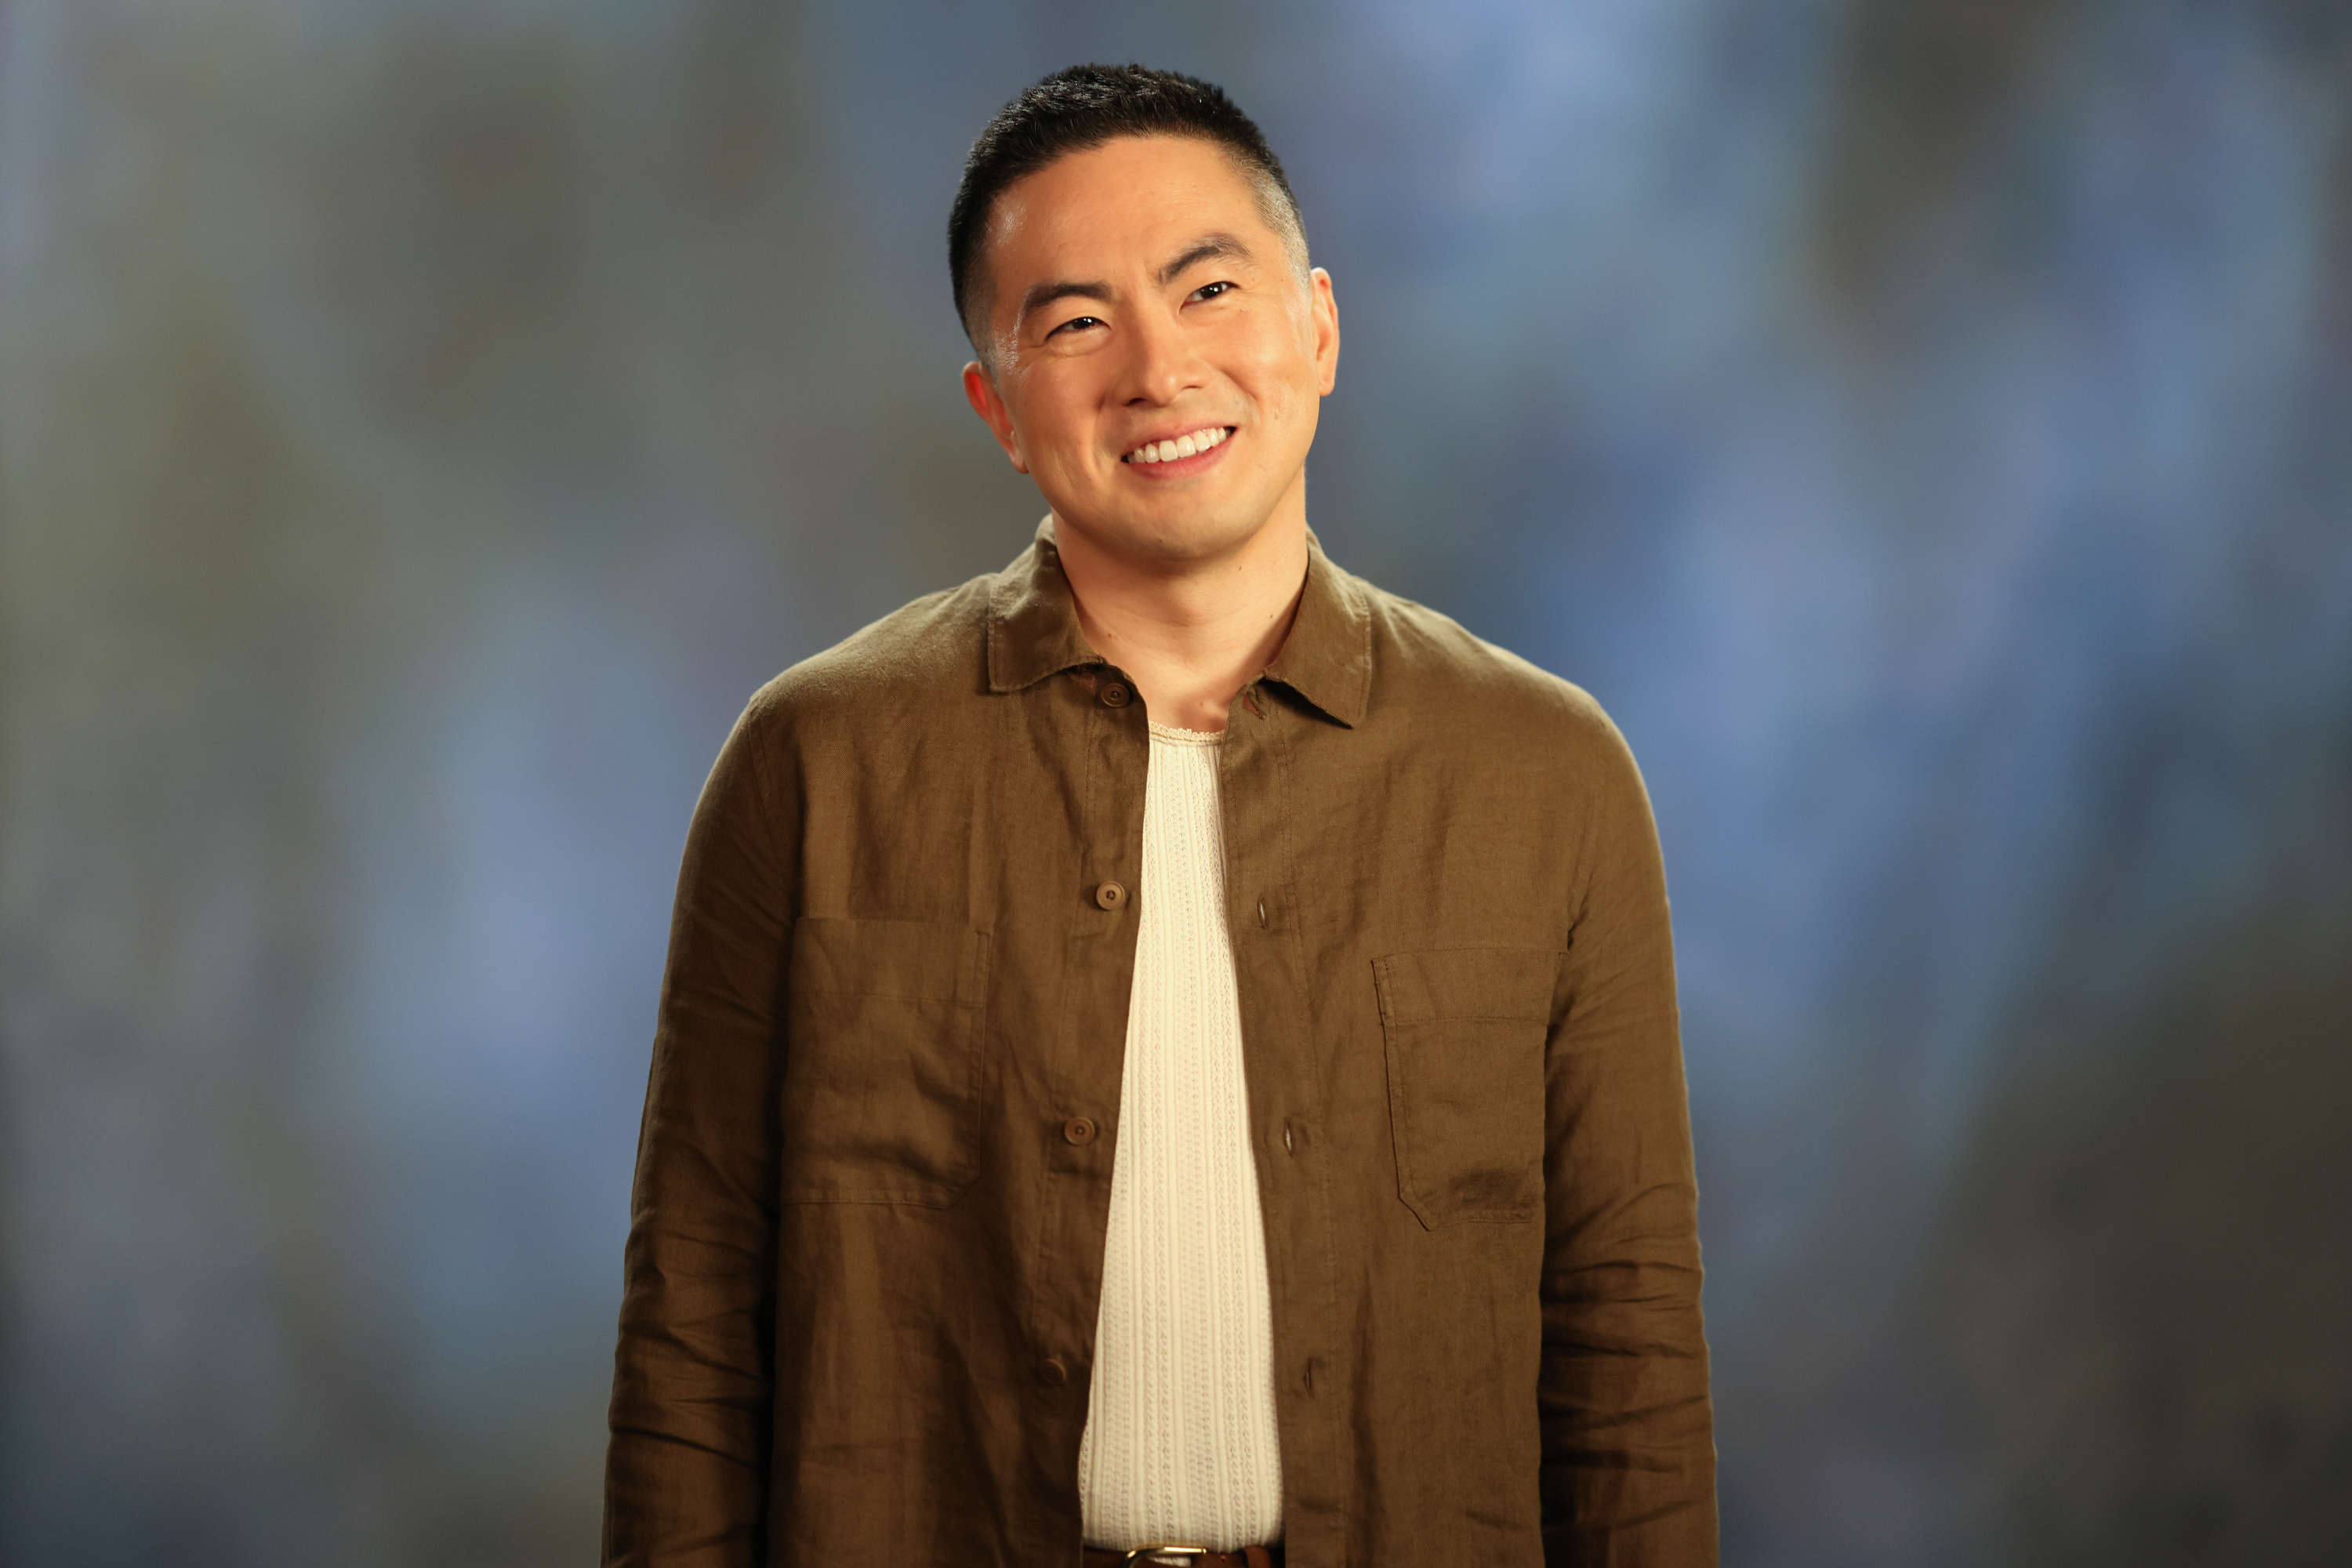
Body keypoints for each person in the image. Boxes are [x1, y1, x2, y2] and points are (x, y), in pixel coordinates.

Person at [604, 63, 1715, 1568]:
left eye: (1208, 290)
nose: (1157, 370)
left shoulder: (1545, 777)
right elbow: (693, 1329)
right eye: (1074, 323)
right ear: (1000, 408)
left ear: (1318, 328)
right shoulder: (816, 767)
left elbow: (1626, 1357)